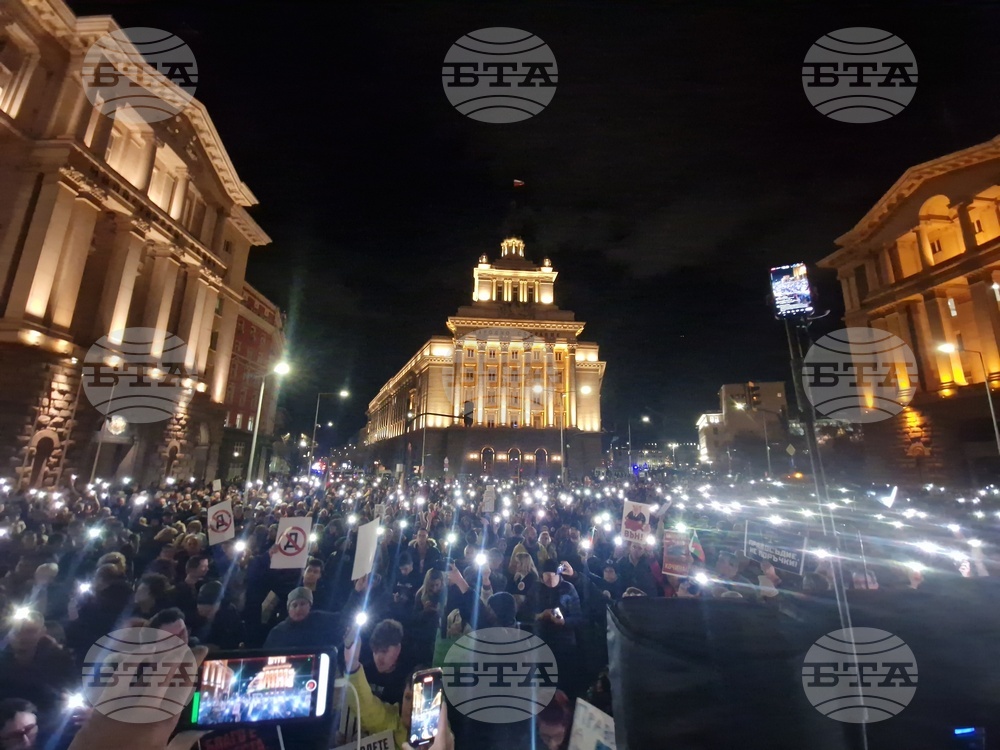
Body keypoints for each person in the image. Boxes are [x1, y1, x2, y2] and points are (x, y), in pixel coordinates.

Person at [262, 587, 342, 650]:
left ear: (309, 606)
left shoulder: (321, 621)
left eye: (302, 604)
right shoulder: (277, 633)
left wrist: (355, 594)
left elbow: (344, 618)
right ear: (288, 609)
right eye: (294, 605)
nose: (298, 609)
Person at [362, 619, 411, 706]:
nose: (379, 658)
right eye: (375, 651)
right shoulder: (364, 672)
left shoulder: (406, 680)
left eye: (384, 651)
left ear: (397, 649)